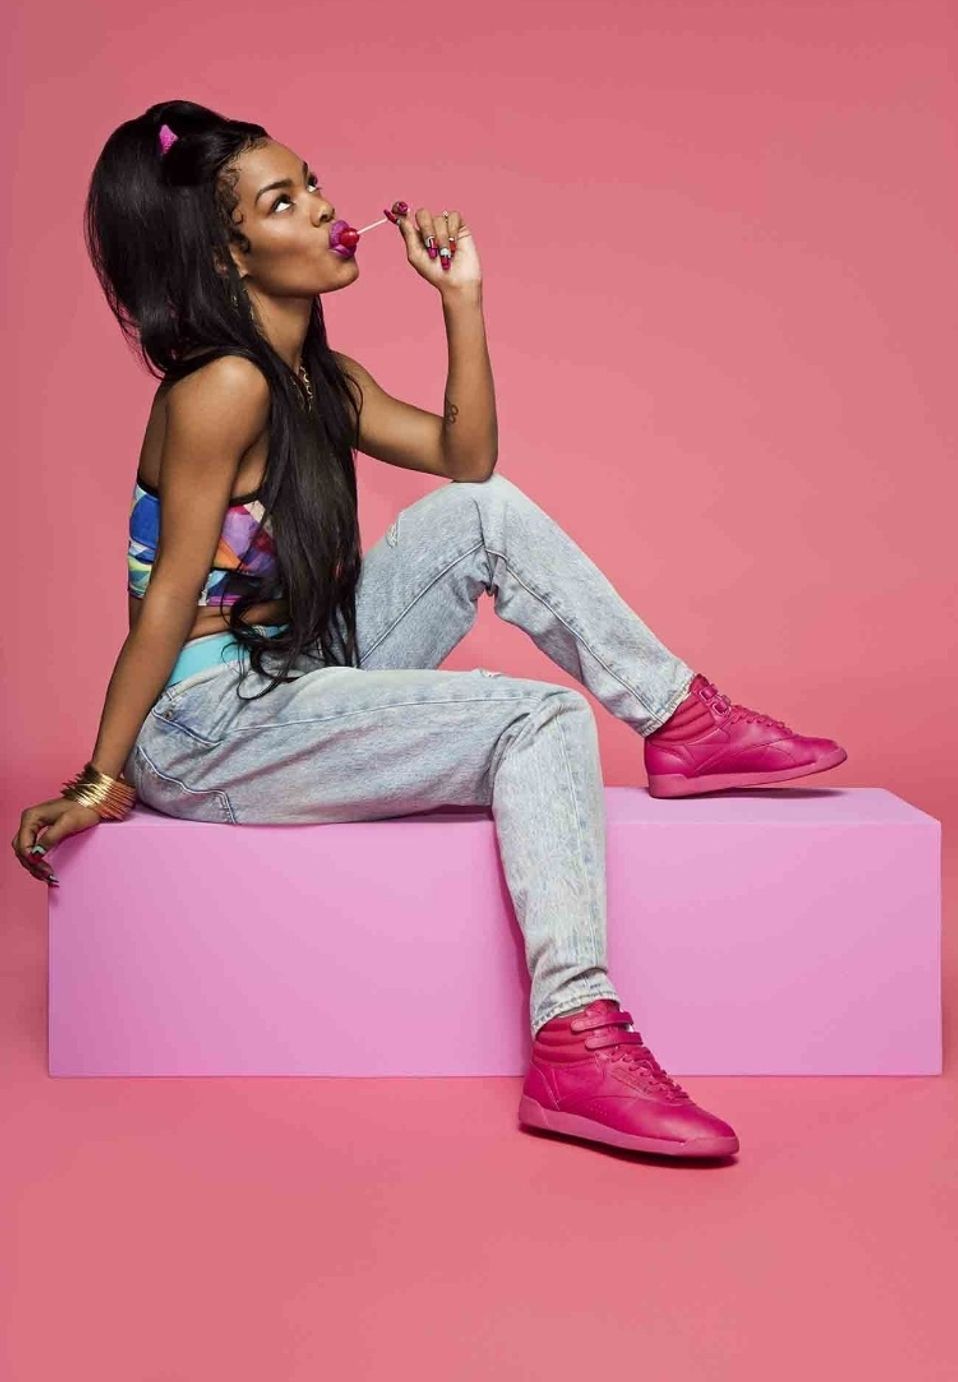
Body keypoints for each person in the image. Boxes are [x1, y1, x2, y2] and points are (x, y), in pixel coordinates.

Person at [11, 99, 847, 1162]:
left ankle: (680, 717)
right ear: (228, 257)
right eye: (284, 203)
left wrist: (462, 300)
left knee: (479, 513)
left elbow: (468, 458)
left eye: (312, 183)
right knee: (538, 721)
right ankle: (576, 1040)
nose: (325, 209)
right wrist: (101, 778)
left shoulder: (320, 380)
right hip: (208, 721)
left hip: (299, 669)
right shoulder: (221, 388)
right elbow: (168, 601)